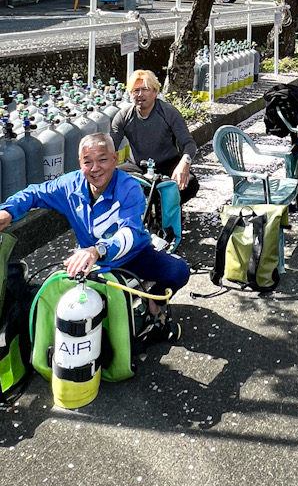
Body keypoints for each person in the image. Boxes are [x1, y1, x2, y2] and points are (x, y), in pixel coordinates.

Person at [0, 133, 190, 341]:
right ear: (79, 163)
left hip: (133, 256)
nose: (95, 168)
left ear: (115, 159)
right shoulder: (70, 186)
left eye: (102, 159)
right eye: (87, 162)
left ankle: (155, 304)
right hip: (93, 264)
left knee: (178, 271)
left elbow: (131, 232)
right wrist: (9, 210)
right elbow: (35, 193)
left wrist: (99, 249)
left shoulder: (129, 188)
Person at [111, 69, 199, 204]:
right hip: (137, 166)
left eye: (145, 89)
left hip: (168, 165)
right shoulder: (123, 116)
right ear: (130, 94)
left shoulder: (168, 112)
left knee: (191, 183)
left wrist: (184, 163)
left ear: (155, 92)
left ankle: (168, 210)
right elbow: (111, 147)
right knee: (110, 181)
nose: (140, 95)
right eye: (135, 90)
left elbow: (189, 143)